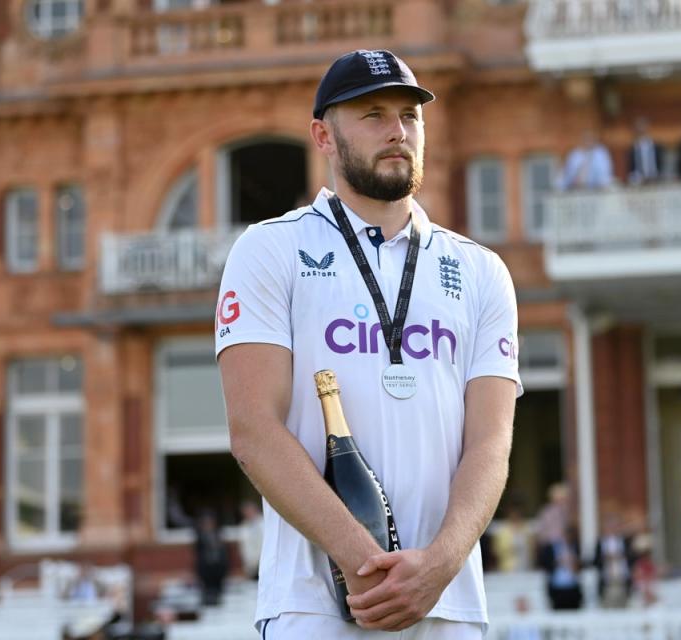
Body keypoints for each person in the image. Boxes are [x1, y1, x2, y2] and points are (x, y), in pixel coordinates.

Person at [216, 49, 521, 639]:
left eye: (410, 115)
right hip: (314, 604)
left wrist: (437, 566)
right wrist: (364, 564)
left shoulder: (481, 271)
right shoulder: (269, 249)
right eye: (373, 114)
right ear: (322, 136)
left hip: (447, 602)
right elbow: (253, 430)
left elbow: (491, 443)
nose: (397, 131)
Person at [593, 513, 631, 608]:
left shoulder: (625, 541)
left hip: (622, 580)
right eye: (611, 526)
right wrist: (606, 558)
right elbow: (595, 561)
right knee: (608, 607)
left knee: (624, 607)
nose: (614, 528)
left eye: (616, 525)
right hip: (607, 581)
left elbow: (631, 558)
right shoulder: (601, 542)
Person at [194, 510, 229, 606]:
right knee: (207, 592)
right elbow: (198, 555)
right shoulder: (200, 536)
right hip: (206, 571)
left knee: (219, 594)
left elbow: (225, 554)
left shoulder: (218, 535)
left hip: (218, 570)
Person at [492, 497, 535, 573]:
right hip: (507, 568)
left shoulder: (527, 529)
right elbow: (496, 550)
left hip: (526, 567)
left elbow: (533, 549)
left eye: (518, 512)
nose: (516, 514)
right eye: (514, 512)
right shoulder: (502, 530)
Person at [627, 117, 664, 185]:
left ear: (647, 127)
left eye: (643, 126)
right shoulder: (633, 149)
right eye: (639, 126)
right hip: (639, 182)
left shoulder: (656, 146)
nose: (641, 128)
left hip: (656, 181)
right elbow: (631, 169)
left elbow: (661, 164)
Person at [237, 500, 265, 580]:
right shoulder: (243, 527)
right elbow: (243, 548)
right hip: (251, 566)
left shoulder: (264, 523)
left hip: (264, 563)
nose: (248, 513)